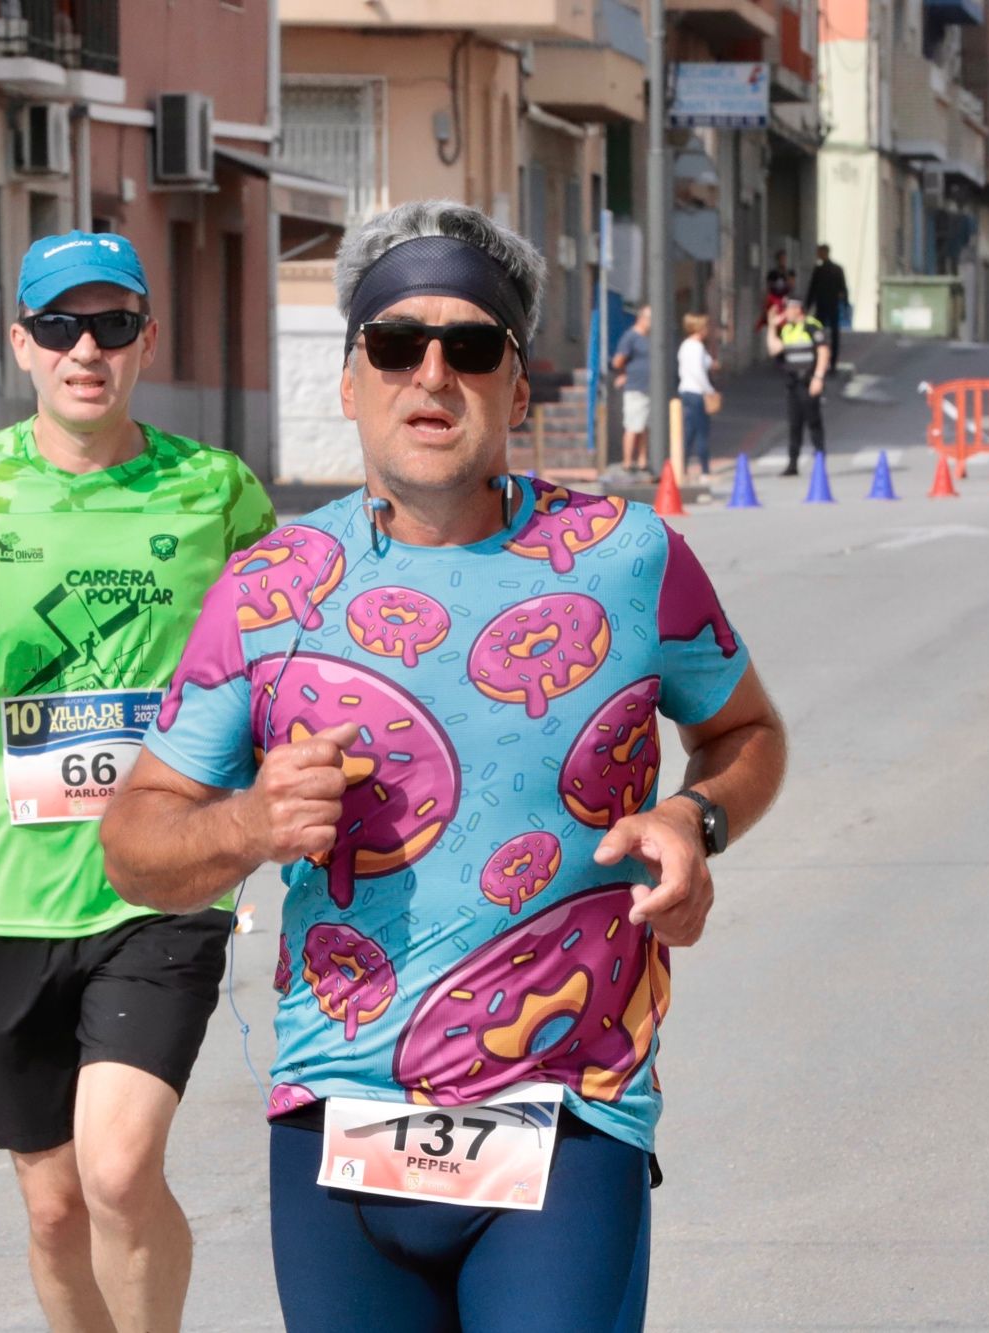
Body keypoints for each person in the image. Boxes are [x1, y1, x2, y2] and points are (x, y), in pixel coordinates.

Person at [99, 199, 788, 1333]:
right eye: (394, 344)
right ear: (350, 379)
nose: (432, 373)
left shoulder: (628, 558)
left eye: (471, 347)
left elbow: (745, 735)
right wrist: (247, 826)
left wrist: (693, 819)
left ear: (517, 389)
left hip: (567, 1113)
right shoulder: (268, 589)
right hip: (337, 1121)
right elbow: (135, 841)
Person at [0, 229, 276, 1333]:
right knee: (53, 1211)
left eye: (109, 325)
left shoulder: (216, 492)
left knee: (116, 1169)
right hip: (7, 897)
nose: (83, 349)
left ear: (146, 340)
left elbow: (284, 658)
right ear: (22, 345)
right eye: (58, 326)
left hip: (162, 887)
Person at [767, 295, 828, 476]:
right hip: (792, 383)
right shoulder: (786, 329)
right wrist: (771, 326)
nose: (785, 313)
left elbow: (823, 351)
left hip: (808, 381)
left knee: (813, 422)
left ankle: (820, 461)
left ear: (797, 309)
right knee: (794, 424)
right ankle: (792, 463)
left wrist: (818, 377)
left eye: (787, 309)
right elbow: (774, 349)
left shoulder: (811, 326)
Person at [611, 304, 653, 475]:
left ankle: (642, 460)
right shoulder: (631, 337)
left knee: (644, 426)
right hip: (635, 387)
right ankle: (627, 462)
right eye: (650, 319)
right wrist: (624, 374)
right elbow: (618, 361)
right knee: (632, 425)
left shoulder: (649, 338)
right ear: (641, 318)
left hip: (648, 388)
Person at [677, 313, 718, 479]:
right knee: (702, 431)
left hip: (686, 390)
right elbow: (698, 372)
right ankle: (705, 469)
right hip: (696, 392)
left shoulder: (687, 345)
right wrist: (709, 390)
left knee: (690, 431)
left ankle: (683, 465)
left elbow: (706, 363)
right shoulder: (696, 347)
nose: (708, 330)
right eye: (706, 327)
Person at [803, 243, 848, 373]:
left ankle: (820, 361)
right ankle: (831, 363)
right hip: (831, 306)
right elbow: (843, 289)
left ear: (824, 253)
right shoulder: (835, 269)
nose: (818, 255)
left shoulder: (821, 270)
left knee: (819, 335)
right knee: (832, 335)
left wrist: (807, 306)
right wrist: (844, 304)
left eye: (819, 252)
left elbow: (813, 289)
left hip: (824, 306)